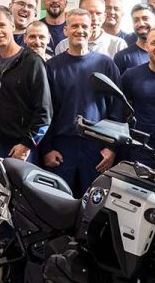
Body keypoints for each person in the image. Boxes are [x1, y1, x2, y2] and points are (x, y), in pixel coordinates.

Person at [39, 10, 117, 196]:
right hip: (62, 148)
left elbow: (117, 108)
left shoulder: (105, 64)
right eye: (74, 26)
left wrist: (112, 148)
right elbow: (44, 110)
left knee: (94, 206)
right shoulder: (52, 67)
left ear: (91, 30)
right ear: (65, 30)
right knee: (60, 204)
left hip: (97, 149)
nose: (79, 30)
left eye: (84, 26)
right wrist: (47, 149)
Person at [0, 6, 52, 159]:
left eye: (2, 25)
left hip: (21, 150)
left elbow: (44, 112)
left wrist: (27, 144)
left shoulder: (33, 62)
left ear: (12, 26)